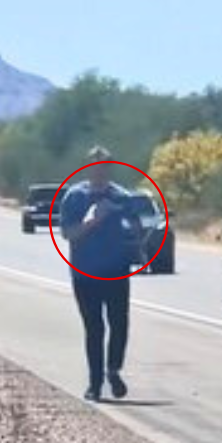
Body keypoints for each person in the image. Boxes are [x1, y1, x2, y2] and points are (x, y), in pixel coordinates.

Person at [60, 146, 142, 403]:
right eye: (95, 165)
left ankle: (113, 370)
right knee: (94, 327)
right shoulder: (74, 197)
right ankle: (94, 384)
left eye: (105, 165)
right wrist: (94, 219)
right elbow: (68, 234)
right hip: (85, 272)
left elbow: (137, 228)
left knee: (119, 323)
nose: (100, 169)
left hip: (116, 270)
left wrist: (132, 234)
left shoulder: (122, 197)